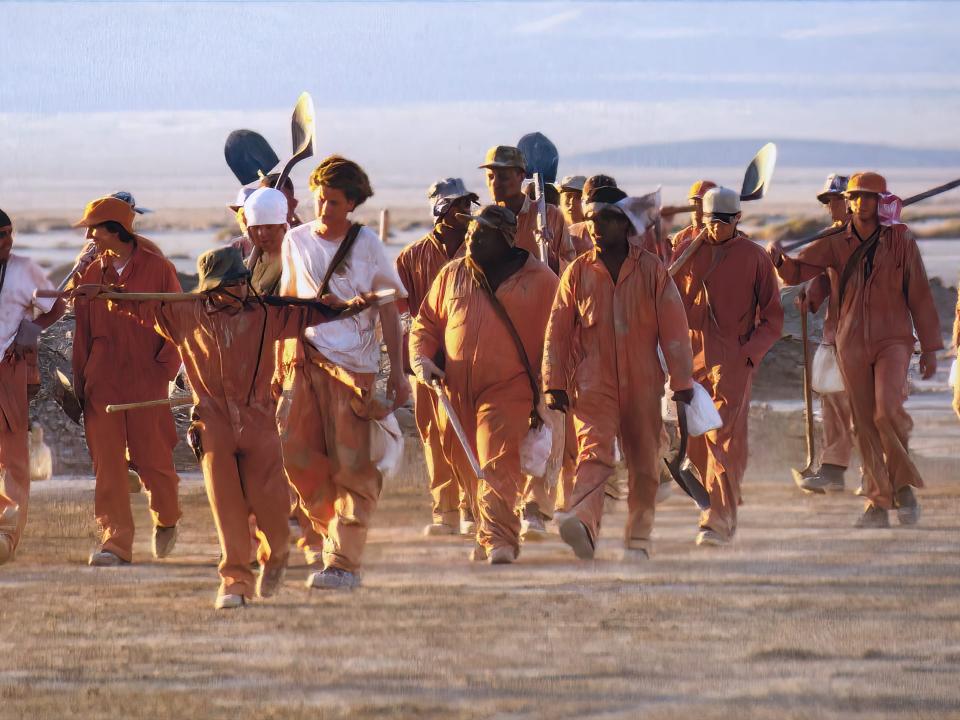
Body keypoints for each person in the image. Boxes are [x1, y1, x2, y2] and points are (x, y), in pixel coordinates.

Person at [91, 230, 370, 608]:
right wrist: (106, 292)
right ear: (210, 288)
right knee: (227, 508)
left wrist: (346, 305)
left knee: (272, 507)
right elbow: (134, 305)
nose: (238, 290)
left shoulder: (267, 313)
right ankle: (235, 582)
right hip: (212, 424)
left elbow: (311, 311)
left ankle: (277, 559)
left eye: (242, 282)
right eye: (229, 285)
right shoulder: (181, 314)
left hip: (260, 422)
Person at [768, 172, 942, 528]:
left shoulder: (900, 239)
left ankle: (905, 488)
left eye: (869, 197)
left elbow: (921, 295)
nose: (862, 203)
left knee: (886, 413)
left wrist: (930, 349)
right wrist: (779, 259)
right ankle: (878, 504)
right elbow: (799, 270)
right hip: (850, 343)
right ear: (848, 201)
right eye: (856, 197)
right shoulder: (834, 240)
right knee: (864, 425)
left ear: (882, 201)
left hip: (894, 340)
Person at [277, 155, 408, 590]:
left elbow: (388, 304)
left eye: (334, 202)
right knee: (296, 458)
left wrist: (398, 374)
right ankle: (331, 534)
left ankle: (344, 563)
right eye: (320, 199)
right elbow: (289, 303)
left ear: (351, 203)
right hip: (307, 362)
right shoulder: (294, 240)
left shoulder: (367, 243)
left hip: (355, 368)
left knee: (354, 468)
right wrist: (284, 362)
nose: (324, 208)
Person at [543, 188, 694, 560]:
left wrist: (682, 381)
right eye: (592, 219)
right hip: (593, 383)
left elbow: (674, 330)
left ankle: (638, 539)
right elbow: (557, 331)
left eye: (605, 220)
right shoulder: (577, 272)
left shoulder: (651, 270)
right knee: (593, 455)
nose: (595, 227)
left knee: (643, 460)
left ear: (624, 225)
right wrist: (554, 383)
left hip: (643, 382)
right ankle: (583, 524)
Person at [410, 205, 559, 563]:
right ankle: (486, 529)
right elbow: (426, 324)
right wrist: (422, 361)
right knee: (466, 463)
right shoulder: (452, 274)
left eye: (480, 233)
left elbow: (562, 336)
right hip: (455, 390)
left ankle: (500, 540)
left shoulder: (541, 281)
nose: (470, 238)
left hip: (509, 388)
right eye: (471, 231)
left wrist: (551, 389)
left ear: (505, 239)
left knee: (496, 459)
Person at [71, 197, 183, 566]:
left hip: (146, 377)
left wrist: (164, 368)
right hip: (102, 380)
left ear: (115, 230)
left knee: (154, 462)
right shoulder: (89, 273)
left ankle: (167, 518)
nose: (89, 235)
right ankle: (115, 543)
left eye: (95, 228)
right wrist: (80, 379)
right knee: (108, 464)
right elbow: (81, 329)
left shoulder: (158, 268)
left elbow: (178, 322)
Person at [672, 187, 783, 546]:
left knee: (723, 439)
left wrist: (749, 354)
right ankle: (717, 508)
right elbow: (664, 299)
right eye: (710, 220)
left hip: (733, 361)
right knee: (696, 443)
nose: (716, 227)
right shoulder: (685, 251)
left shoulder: (754, 258)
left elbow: (772, 316)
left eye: (723, 220)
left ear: (737, 219)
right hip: (690, 359)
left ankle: (716, 519)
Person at [395, 178, 479, 536]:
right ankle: (444, 510)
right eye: (456, 205)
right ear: (439, 210)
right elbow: (400, 311)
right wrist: (409, 361)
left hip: (471, 355)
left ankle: (473, 510)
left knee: (471, 433)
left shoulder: (481, 252)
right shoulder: (411, 257)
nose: (464, 211)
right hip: (426, 358)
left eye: (465, 204)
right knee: (433, 434)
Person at [0, 208, 61, 564]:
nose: (8, 242)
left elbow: (55, 304)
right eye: (0, 236)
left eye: (10, 234)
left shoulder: (25, 269)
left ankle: (9, 536)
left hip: (10, 371)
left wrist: (32, 330)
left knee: (14, 458)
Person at [794, 174, 856, 493]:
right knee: (833, 400)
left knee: (874, 408)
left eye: (835, 200)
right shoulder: (831, 238)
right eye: (828, 202)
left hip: (874, 337)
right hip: (837, 333)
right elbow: (822, 277)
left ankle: (887, 476)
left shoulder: (879, 238)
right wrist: (811, 298)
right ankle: (833, 470)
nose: (830, 207)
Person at [568, 174, 619, 256]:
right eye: (592, 201)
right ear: (582, 202)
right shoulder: (571, 236)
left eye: (604, 200)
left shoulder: (631, 237)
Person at [668, 180, 716, 257]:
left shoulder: (722, 237)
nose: (696, 207)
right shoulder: (680, 238)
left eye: (701, 202)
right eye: (694, 202)